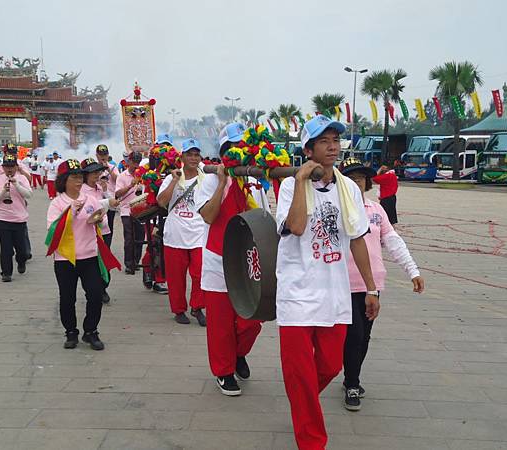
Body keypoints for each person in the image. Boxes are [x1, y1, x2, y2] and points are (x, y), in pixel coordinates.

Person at [275, 116, 378, 450]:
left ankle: (301, 403)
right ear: (308, 149)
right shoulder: (291, 185)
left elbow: (358, 239)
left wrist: (370, 287)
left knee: (332, 366)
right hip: (296, 294)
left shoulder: (348, 188)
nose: (333, 147)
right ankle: (312, 441)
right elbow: (298, 226)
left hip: (335, 294)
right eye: (324, 141)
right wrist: (303, 178)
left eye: (336, 140)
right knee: (300, 373)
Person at [339, 157, 425, 411]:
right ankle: (352, 383)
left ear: (367, 183)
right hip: (343, 284)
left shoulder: (376, 211)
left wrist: (413, 271)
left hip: (372, 285)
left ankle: (350, 376)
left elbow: (393, 241)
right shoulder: (337, 209)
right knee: (353, 335)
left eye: (361, 178)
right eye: (350, 179)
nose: (356, 183)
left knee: (364, 336)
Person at [196, 122, 269, 396]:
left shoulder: (254, 181)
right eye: (232, 148)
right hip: (218, 259)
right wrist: (223, 182)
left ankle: (238, 353)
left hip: (248, 259)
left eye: (242, 148)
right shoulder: (211, 180)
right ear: (224, 152)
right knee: (221, 323)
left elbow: (264, 218)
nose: (238, 153)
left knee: (253, 320)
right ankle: (224, 371)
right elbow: (208, 216)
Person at [47, 159, 119, 350]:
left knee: (95, 295)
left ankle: (91, 331)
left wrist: (98, 219)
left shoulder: (91, 200)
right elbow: (52, 232)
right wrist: (70, 213)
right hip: (65, 259)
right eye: (74, 177)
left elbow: (103, 227)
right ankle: (71, 332)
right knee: (67, 298)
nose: (79, 181)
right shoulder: (57, 203)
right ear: (64, 180)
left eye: (80, 177)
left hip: (89, 257)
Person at [157, 138, 206, 326]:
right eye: (189, 155)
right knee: (176, 276)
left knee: (200, 272)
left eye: (196, 154)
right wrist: (175, 181)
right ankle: (179, 309)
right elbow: (161, 201)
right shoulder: (172, 178)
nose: (193, 158)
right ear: (182, 157)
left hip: (199, 232)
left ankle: (197, 307)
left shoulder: (205, 177)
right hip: (175, 234)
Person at [0, 154, 33, 282]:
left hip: (19, 218)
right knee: (6, 248)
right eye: (7, 166)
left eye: (12, 166)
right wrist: (3, 191)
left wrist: (17, 185)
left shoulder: (22, 179)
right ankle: (6, 273)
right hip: (2, 217)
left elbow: (29, 195)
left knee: (22, 250)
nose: (9, 169)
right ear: (2, 167)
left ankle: (21, 261)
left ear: (16, 167)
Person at [81, 157, 113, 304]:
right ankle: (97, 290)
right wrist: (106, 202)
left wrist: (106, 192)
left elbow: (111, 204)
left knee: (105, 260)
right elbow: (88, 206)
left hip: (104, 229)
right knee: (94, 263)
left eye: (97, 171)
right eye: (92, 172)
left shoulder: (99, 187)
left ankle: (103, 286)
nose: (96, 174)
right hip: (90, 231)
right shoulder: (81, 190)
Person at [115, 152, 144, 274]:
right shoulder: (122, 176)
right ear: (129, 161)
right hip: (127, 210)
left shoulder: (144, 175)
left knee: (140, 237)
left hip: (141, 210)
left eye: (138, 162)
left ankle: (136, 261)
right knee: (129, 237)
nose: (136, 165)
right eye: (134, 162)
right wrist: (130, 186)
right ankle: (128, 263)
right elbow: (117, 194)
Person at [95, 144, 119, 247]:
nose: (102, 157)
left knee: (109, 225)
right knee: (97, 224)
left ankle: (107, 248)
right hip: (97, 200)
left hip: (110, 200)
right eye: (100, 154)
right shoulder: (94, 168)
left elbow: (118, 180)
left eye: (104, 154)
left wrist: (108, 169)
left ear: (108, 155)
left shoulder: (113, 167)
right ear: (97, 155)